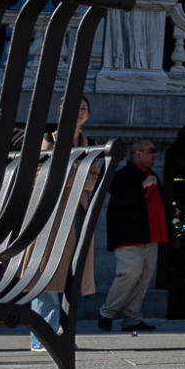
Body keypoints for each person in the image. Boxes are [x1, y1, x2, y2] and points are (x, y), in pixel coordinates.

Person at [28, 95, 95, 351]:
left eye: (83, 108)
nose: (79, 112)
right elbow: (41, 175)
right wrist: (77, 175)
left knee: (68, 277)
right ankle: (41, 338)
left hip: (75, 214)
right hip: (48, 215)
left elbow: (92, 181)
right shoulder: (49, 138)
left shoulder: (89, 144)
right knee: (46, 275)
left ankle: (62, 336)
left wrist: (67, 175)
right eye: (73, 108)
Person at [98, 139, 168, 334]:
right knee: (128, 275)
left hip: (150, 237)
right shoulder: (123, 175)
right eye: (151, 151)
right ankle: (107, 313)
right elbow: (119, 199)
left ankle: (132, 319)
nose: (154, 154)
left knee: (143, 278)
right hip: (129, 237)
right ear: (137, 153)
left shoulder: (151, 174)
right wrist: (142, 186)